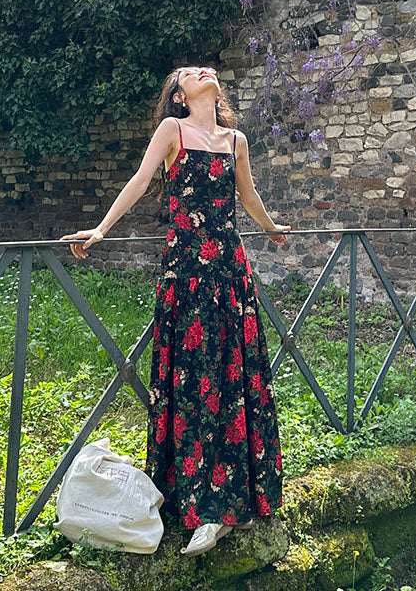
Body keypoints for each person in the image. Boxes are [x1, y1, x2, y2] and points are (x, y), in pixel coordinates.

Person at [61, 64, 291, 557]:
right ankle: (200, 502)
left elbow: (246, 195)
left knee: (232, 377)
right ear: (181, 96)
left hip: (229, 268)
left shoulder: (237, 140)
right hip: (187, 268)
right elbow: (140, 181)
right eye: (187, 72)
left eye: (203, 68)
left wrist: (270, 228)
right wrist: (100, 229)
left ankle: (230, 502)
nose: (200, 70)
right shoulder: (173, 130)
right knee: (193, 378)